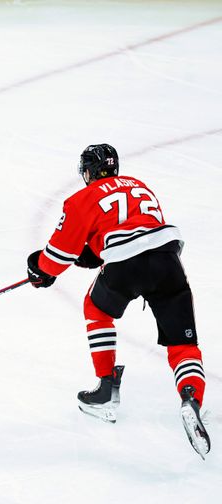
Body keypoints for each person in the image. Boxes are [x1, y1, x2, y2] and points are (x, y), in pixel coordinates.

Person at [26, 144, 210, 458]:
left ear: (87, 171)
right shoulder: (140, 187)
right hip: (168, 262)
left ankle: (106, 390)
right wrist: (95, 252)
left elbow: (58, 256)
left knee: (95, 308)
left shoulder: (82, 197)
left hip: (126, 264)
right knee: (183, 345)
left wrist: (40, 269)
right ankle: (191, 397)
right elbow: (134, 228)